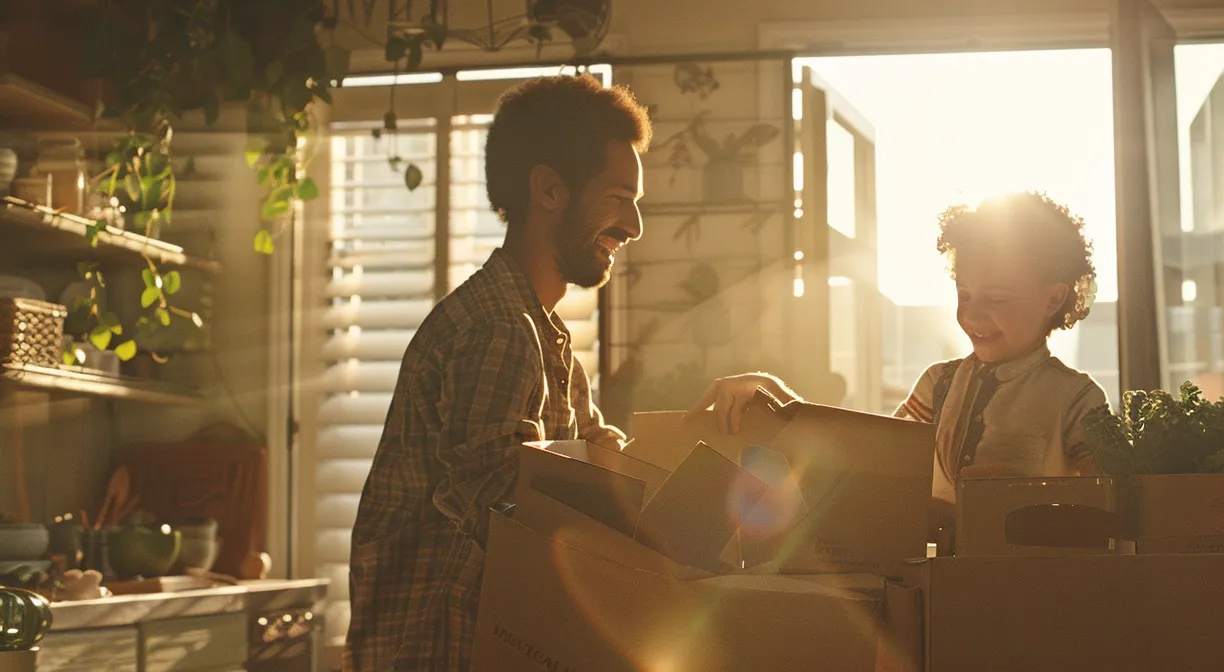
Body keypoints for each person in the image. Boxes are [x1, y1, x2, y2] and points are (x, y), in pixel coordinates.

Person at [345, 76, 651, 671]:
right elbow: (505, 509)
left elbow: (578, 460)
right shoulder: (499, 329)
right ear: (549, 189)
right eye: (618, 198)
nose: (634, 227)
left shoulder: (543, 333)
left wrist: (617, 458)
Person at [692, 192, 1108, 527]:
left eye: (997, 298)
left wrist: (1025, 495)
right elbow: (869, 460)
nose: (973, 315)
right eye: (964, 295)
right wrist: (773, 394)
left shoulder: (1076, 399)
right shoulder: (938, 385)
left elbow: (1102, 509)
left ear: (1054, 298)